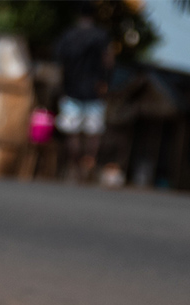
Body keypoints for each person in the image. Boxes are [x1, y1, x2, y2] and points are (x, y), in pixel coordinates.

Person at [54, 6, 112, 184]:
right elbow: (108, 60)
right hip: (95, 91)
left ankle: (74, 165)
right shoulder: (101, 36)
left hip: (71, 90)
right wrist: (106, 81)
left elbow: (59, 62)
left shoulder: (68, 35)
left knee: (73, 133)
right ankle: (88, 162)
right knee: (93, 133)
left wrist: (61, 85)